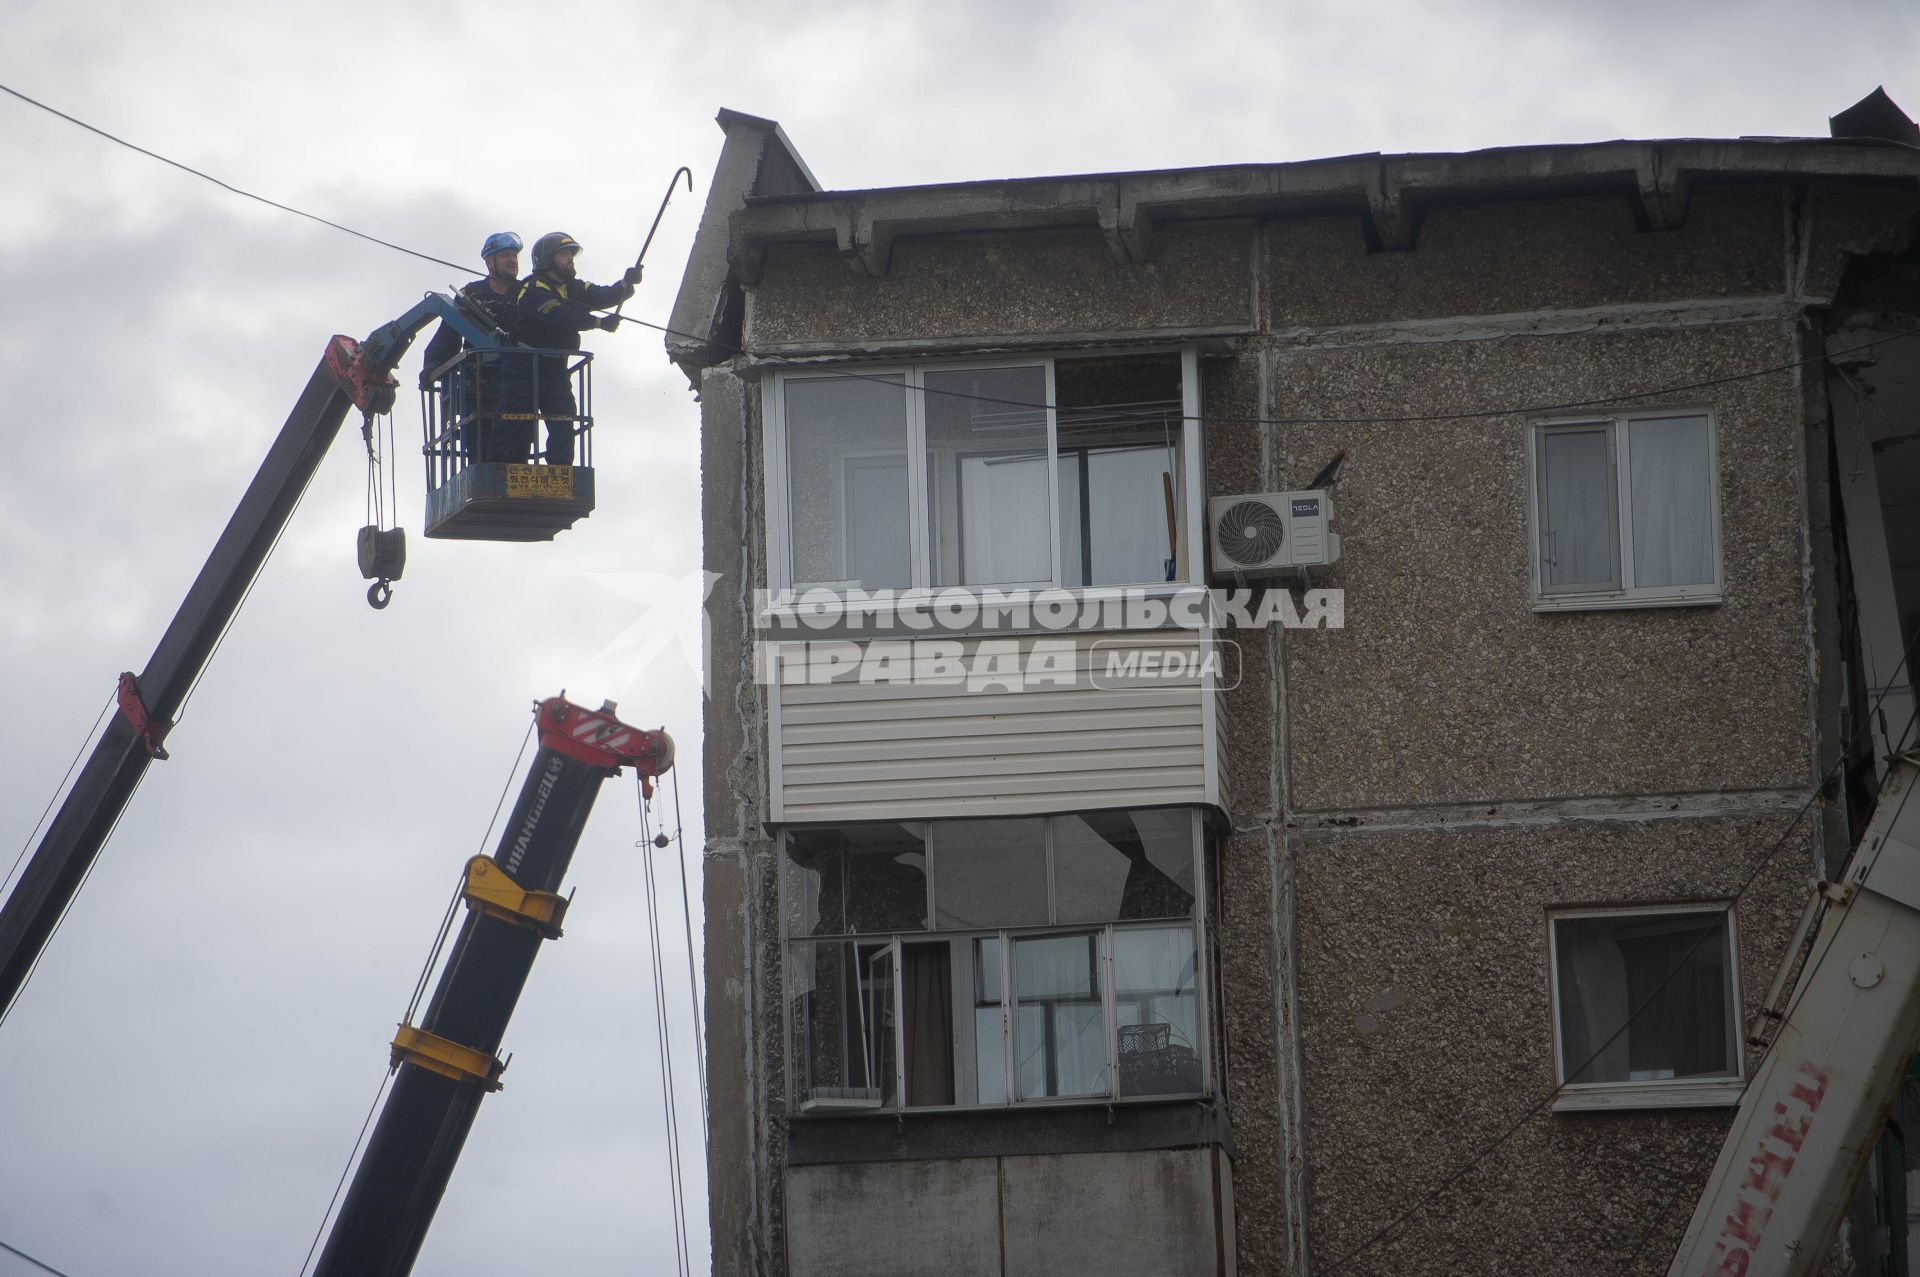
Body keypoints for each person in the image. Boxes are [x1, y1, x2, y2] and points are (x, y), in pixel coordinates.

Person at [514, 232, 642, 466]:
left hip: (554, 370)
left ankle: (560, 474)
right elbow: (559, 314)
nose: (570, 258)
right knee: (517, 428)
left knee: (563, 423)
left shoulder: (570, 287)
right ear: (547, 259)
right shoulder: (532, 289)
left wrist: (626, 284)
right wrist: (598, 323)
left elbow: (599, 295)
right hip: (523, 371)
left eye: (571, 253)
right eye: (564, 253)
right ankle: (509, 473)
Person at [420, 232, 531, 463]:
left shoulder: (527, 294)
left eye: (514, 256)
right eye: (505, 256)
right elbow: (448, 335)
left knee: (518, 444)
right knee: (480, 448)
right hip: (478, 387)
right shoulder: (471, 295)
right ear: (490, 262)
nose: (512, 261)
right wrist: (432, 366)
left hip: (517, 385)